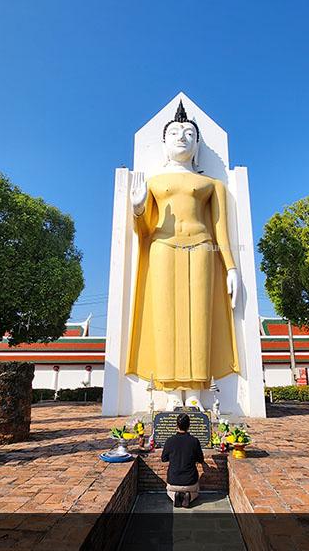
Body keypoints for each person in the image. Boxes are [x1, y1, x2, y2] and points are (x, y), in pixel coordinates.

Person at [126, 101, 240, 408]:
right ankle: (170, 395)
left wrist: (231, 268)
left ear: (197, 143)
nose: (182, 137)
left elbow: (220, 231)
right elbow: (145, 229)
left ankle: (194, 394)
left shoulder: (211, 184)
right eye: (175, 132)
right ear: (163, 143)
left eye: (189, 133)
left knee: (198, 318)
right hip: (163, 248)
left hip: (202, 248)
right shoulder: (153, 182)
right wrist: (138, 208)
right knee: (165, 317)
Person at [161, 413, 204, 508]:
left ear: (177, 425)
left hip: (173, 481)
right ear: (189, 425)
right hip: (190, 482)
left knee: (169, 491)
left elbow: (163, 459)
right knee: (196, 491)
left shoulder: (170, 441)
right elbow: (201, 460)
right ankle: (189, 497)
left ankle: (175, 496)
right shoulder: (194, 441)